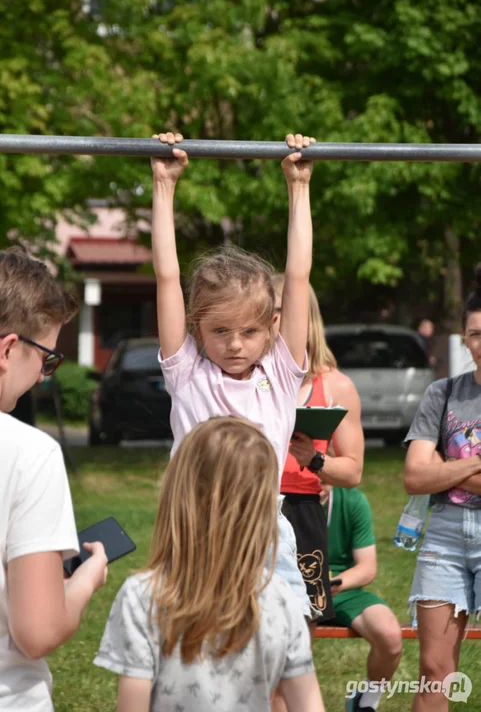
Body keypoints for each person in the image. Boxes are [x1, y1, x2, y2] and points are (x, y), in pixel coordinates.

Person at [150, 130, 316, 712]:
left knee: (279, 664)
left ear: (272, 326)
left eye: (249, 331)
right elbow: (168, 279)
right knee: (192, 657)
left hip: (262, 531)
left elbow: (296, 279)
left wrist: (299, 187)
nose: (236, 344)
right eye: (219, 331)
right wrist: (164, 187)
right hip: (194, 531)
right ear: (197, 329)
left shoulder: (280, 377)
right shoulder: (188, 375)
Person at [94, 417, 325, 711]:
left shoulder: (142, 597)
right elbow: (308, 704)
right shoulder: (281, 598)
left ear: (176, 495)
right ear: (264, 508)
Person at [0, 247, 108, 711]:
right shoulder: (29, 453)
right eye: (47, 358)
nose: (44, 378)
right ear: (8, 349)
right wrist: (86, 580)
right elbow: (38, 631)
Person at [404, 263, 481, 712]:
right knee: (434, 672)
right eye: (475, 334)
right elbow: (415, 476)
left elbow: (430, 469)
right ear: (465, 340)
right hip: (445, 535)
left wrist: (446, 463)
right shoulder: (443, 392)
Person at [273, 276, 364, 629]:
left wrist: (314, 459)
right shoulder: (246, 377)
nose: (268, 318)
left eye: (277, 310)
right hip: (249, 505)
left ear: (302, 315)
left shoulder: (336, 386)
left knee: (300, 634)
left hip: (302, 514)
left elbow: (353, 473)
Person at [319, 484, 402, 712]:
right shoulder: (281, 497)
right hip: (295, 592)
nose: (318, 483)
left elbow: (367, 567)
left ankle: (365, 703)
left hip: (343, 591)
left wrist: (335, 584)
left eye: (323, 477)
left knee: (390, 636)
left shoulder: (352, 500)